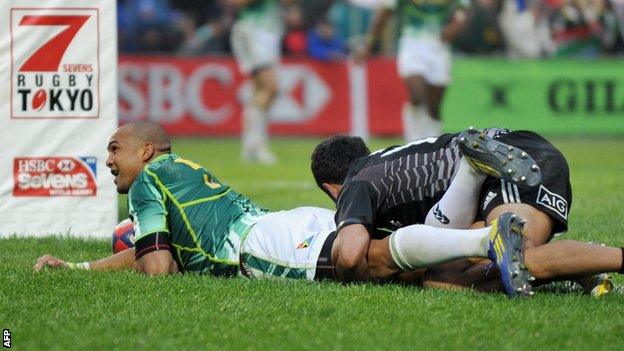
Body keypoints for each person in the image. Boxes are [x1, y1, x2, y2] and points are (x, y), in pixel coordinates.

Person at [34, 122, 528, 297]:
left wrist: (140, 233)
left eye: (115, 148)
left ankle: (485, 238)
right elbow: (170, 252)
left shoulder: (147, 182)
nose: (109, 160)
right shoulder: (180, 171)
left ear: (145, 152)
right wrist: (81, 266)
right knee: (420, 277)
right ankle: (539, 269)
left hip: (264, 246)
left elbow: (159, 268)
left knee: (375, 261)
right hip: (285, 224)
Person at [310, 128, 623, 296]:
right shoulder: (387, 162)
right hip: (517, 157)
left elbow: (349, 256)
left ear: (331, 188)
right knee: (442, 279)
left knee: (517, 258)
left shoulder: (356, 182)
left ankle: (608, 258)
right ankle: (582, 263)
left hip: (512, 166)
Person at [355, 0, 469, 141]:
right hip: (412, 44)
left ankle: (436, 142)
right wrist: (368, 45)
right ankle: (413, 141)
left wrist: (456, 25)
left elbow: (463, 9)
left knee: (434, 105)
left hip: (440, 47)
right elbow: (384, 14)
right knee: (417, 95)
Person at [229, 0, 282, 164]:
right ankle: (257, 146)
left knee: (259, 90)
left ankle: (250, 146)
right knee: (271, 88)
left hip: (266, 33)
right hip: (253, 32)